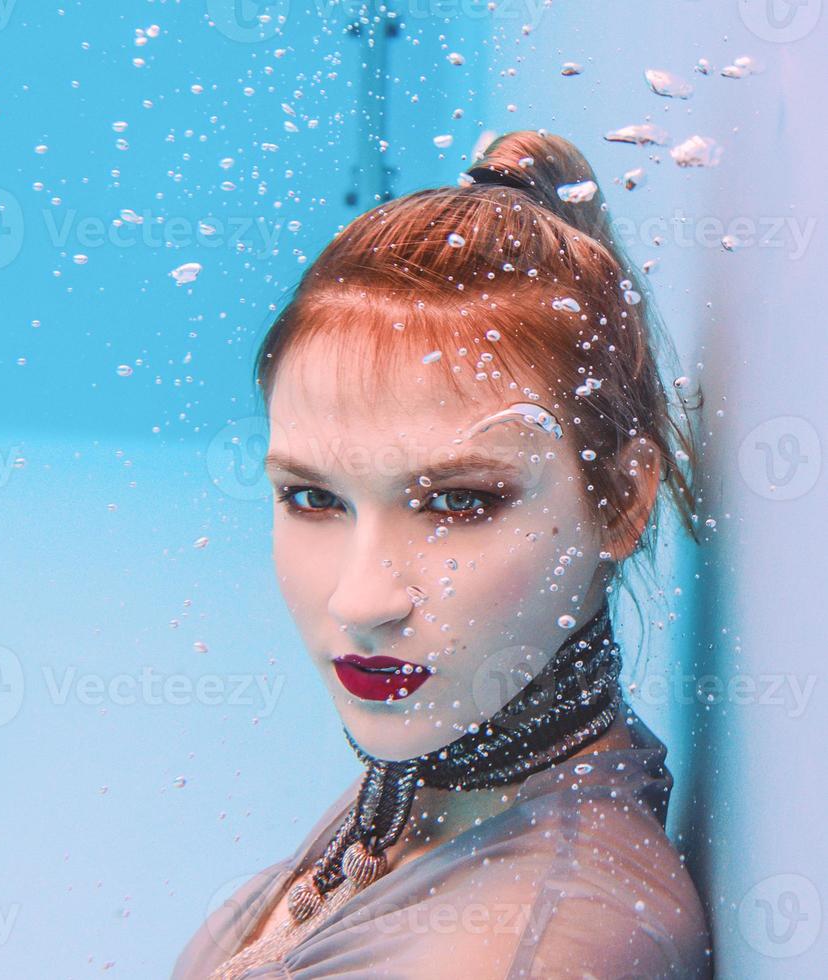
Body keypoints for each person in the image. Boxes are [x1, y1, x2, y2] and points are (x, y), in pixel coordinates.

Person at [171, 129, 713, 978]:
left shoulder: (526, 949)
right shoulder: (441, 787)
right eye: (313, 498)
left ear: (623, 500)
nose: (361, 599)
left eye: (460, 503)